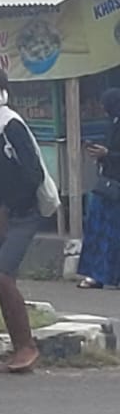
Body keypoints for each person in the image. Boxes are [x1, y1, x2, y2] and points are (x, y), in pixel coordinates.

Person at [0, 64, 55, 375]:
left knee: (3, 276)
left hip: (21, 213)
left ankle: (26, 347)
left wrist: (6, 209)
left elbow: (32, 173)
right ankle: (20, 348)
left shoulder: (9, 125)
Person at [77, 89, 120, 290]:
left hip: (115, 187)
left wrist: (108, 154)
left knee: (112, 233)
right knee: (98, 230)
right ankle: (96, 275)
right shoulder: (112, 124)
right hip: (108, 184)